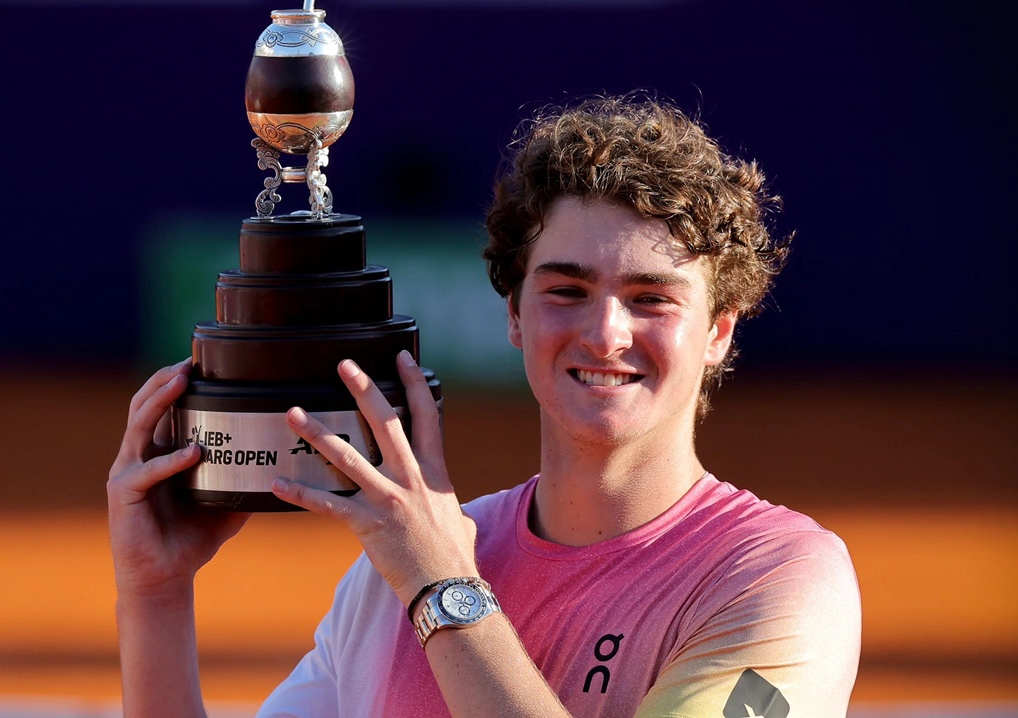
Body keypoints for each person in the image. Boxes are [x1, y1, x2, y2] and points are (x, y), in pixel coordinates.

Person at [108, 94, 861, 718]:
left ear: (718, 331)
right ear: (514, 316)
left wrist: (440, 585)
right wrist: (156, 594)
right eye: (566, 290)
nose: (605, 333)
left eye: (651, 299)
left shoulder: (780, 579)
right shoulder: (390, 573)